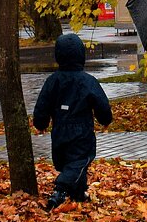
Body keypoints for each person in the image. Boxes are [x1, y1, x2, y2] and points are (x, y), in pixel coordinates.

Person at [32, 33, 113, 210]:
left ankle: (78, 193)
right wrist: (105, 119)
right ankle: (60, 190)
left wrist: (40, 123)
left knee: (68, 162)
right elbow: (101, 103)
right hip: (81, 129)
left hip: (59, 129)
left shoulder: (53, 81)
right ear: (81, 55)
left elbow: (42, 104)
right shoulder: (87, 81)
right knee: (80, 161)